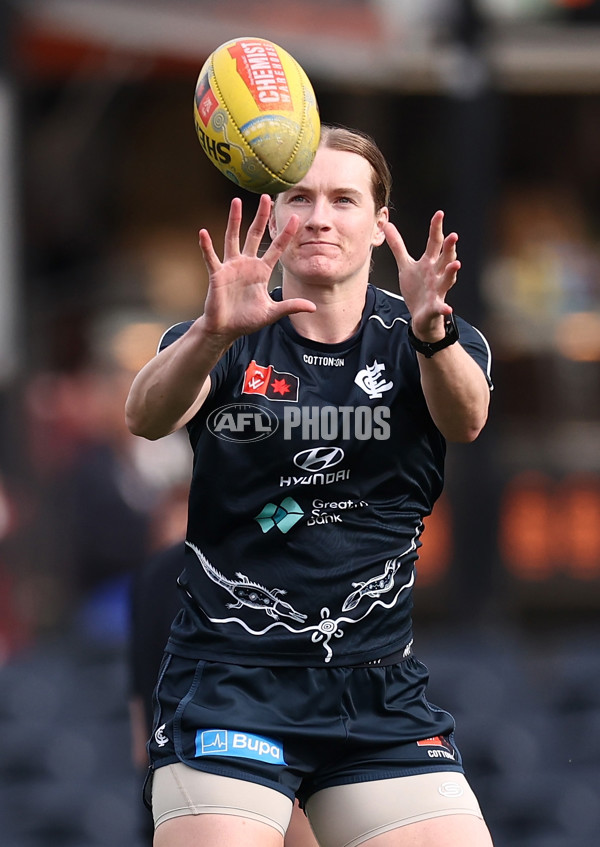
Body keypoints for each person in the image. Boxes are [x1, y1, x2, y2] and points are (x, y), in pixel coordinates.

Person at [125, 123, 494, 847]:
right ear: (274, 218)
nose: (320, 217)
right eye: (300, 197)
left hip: (377, 690)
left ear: (380, 222)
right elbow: (145, 417)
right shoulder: (224, 332)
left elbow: (468, 418)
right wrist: (211, 334)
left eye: (343, 200)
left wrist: (433, 335)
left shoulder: (426, 334)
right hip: (231, 683)